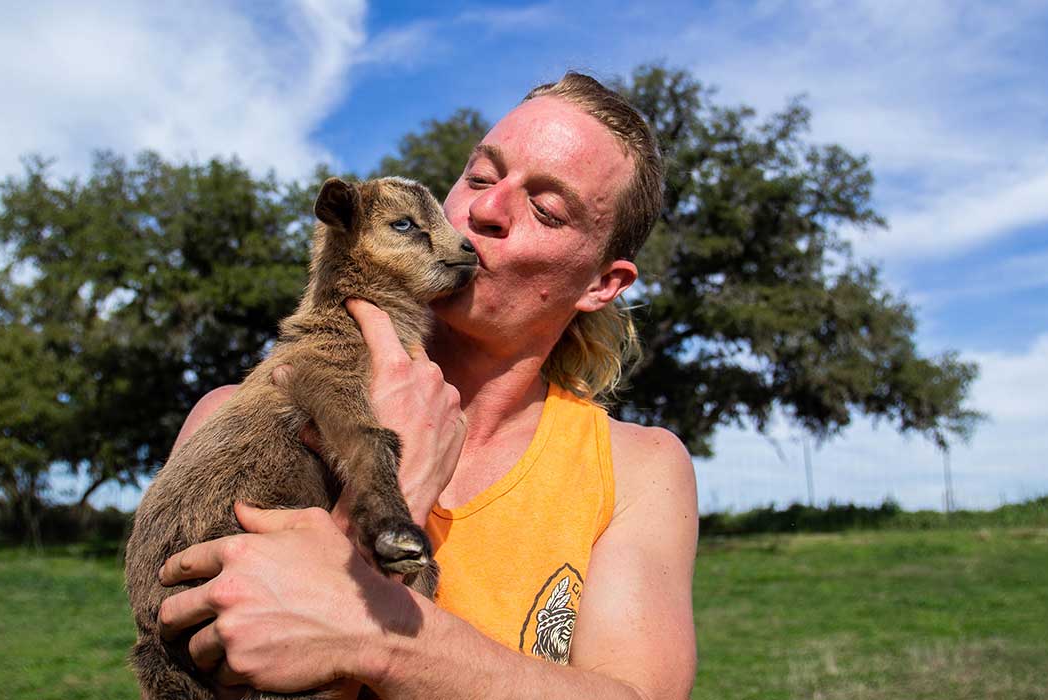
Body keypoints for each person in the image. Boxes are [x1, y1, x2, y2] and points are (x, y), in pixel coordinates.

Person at [155, 73, 698, 699]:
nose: (484, 213)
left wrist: (378, 634)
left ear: (602, 284)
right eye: (480, 177)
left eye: (547, 210)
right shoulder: (234, 424)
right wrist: (392, 484)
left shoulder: (635, 470)